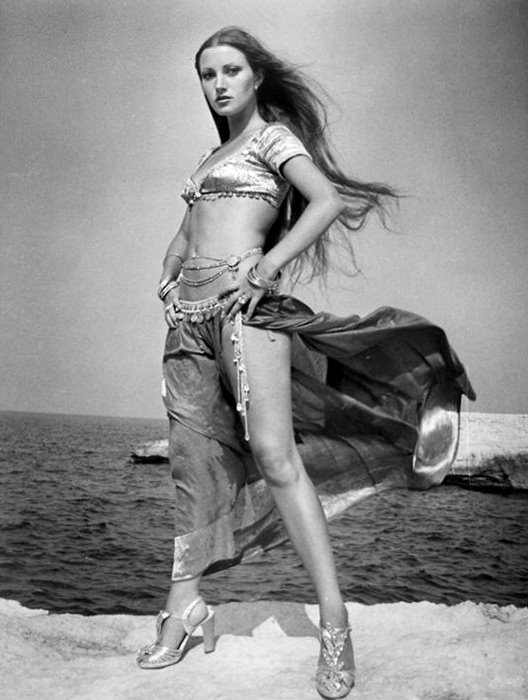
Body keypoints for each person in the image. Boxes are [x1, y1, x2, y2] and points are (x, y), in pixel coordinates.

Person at [136, 26, 475, 699]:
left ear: (256, 76)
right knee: (192, 467)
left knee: (276, 457)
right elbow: (188, 230)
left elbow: (326, 202)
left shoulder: (272, 139)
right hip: (187, 322)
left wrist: (264, 269)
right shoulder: (210, 157)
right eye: (207, 74)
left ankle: (335, 623)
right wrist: (168, 273)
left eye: (231, 70)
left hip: (245, 314)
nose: (219, 84)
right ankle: (184, 605)